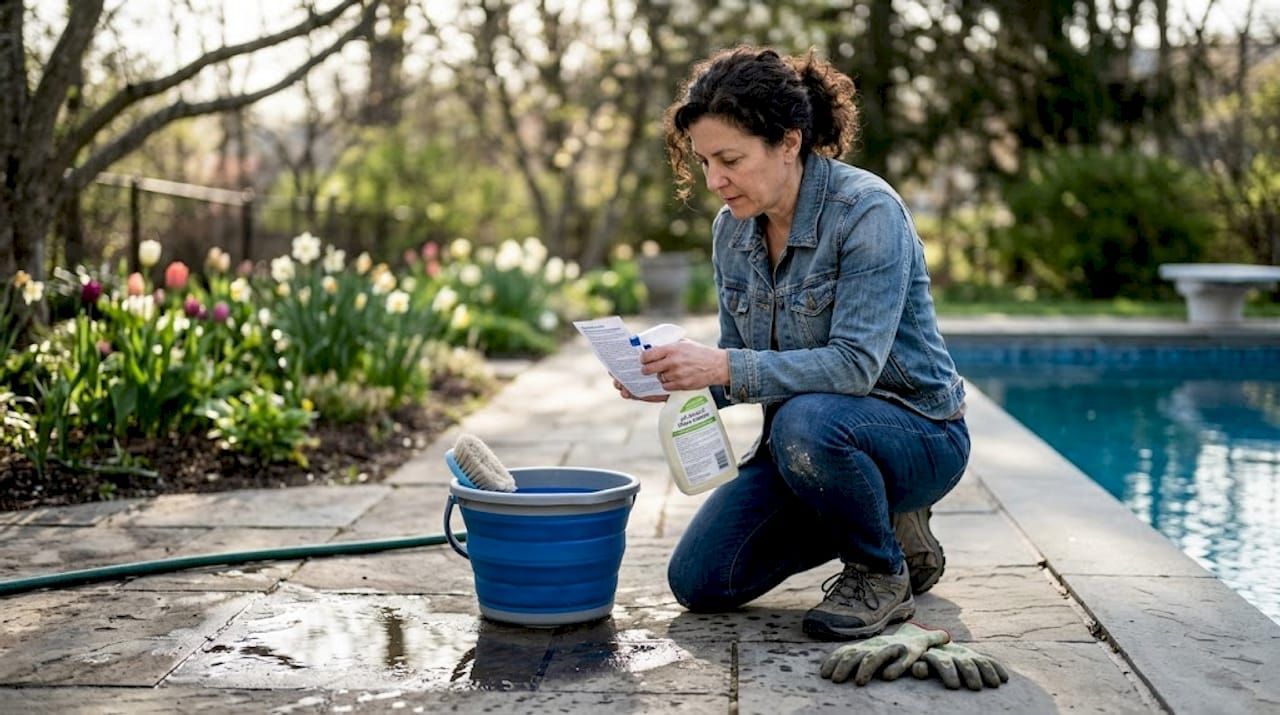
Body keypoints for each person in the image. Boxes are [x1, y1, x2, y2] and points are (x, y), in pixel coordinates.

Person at [613, 47, 969, 641]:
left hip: (919, 434)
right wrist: (673, 377)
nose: (714, 181)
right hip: (805, 445)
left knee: (805, 422)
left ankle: (880, 572)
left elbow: (854, 367)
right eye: (704, 161)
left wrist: (722, 366)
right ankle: (885, 523)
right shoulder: (731, 232)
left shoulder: (867, 212)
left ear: (788, 143)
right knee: (701, 581)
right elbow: (738, 356)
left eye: (730, 159)